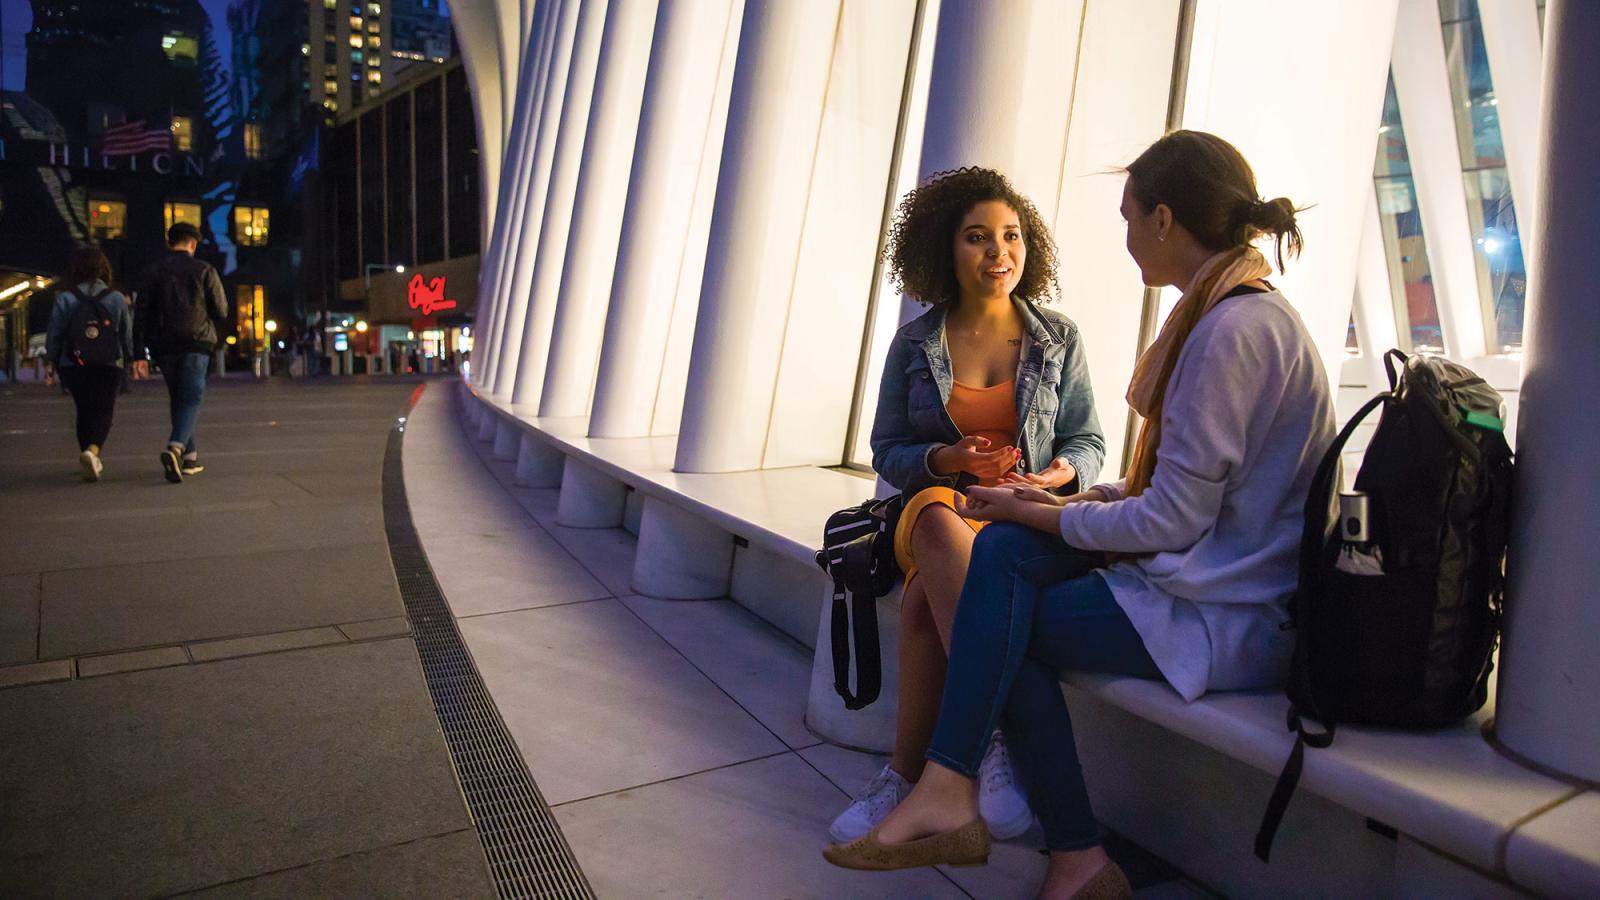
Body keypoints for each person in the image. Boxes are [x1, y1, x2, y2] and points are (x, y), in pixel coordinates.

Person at [824, 131, 1337, 900]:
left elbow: (1166, 519)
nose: (1126, 238)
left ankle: (1034, 830)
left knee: (999, 617)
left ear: (1165, 219)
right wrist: (1048, 503)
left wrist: (1049, 506)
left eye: (1130, 218)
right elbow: (1174, 500)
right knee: (991, 567)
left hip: (1226, 610)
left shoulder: (1230, 333)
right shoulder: (1231, 315)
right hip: (1204, 575)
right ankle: (961, 793)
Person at [829, 167, 1105, 844]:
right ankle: (994, 738)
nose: (998, 253)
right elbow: (888, 447)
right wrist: (947, 462)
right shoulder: (915, 343)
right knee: (931, 517)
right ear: (944, 250)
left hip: (1017, 513)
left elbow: (1089, 440)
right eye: (978, 238)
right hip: (935, 509)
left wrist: (1058, 476)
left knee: (927, 601)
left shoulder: (1058, 339)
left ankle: (908, 776)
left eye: (1010, 237)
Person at [131, 222, 229, 483]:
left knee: (179, 397)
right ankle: (175, 447)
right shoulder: (204, 270)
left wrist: (138, 352)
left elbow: (140, 314)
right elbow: (221, 310)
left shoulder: (152, 272)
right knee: (192, 397)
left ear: (169, 242)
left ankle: (190, 457)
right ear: (193, 244)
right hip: (197, 342)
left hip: (163, 345)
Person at [44, 245, 134, 481]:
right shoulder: (115, 298)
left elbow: (54, 335)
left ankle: (87, 453)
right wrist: (130, 359)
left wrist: (52, 361)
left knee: (83, 410)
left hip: (73, 363)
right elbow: (126, 334)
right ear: (104, 268)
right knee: (104, 410)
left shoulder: (65, 298)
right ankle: (92, 451)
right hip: (108, 362)